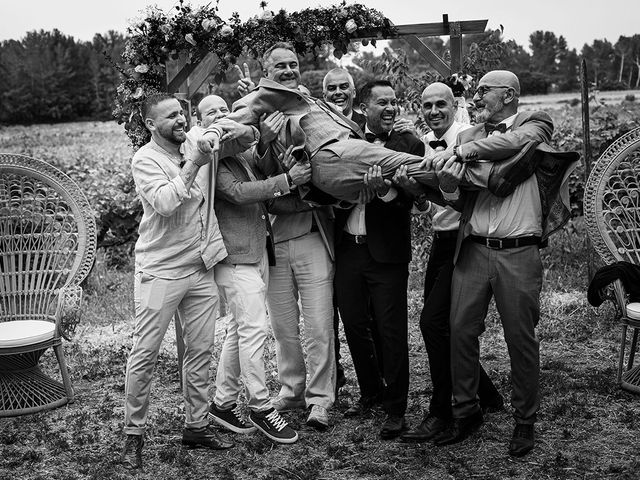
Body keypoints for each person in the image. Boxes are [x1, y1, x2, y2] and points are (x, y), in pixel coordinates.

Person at [431, 70, 578, 457]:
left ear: (509, 95)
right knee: (460, 330)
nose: (477, 96)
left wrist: (463, 156)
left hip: (519, 250)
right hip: (475, 247)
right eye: (477, 91)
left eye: (484, 90)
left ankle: (524, 421)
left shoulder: (535, 126)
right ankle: (466, 412)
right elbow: (463, 201)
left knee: (520, 338)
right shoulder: (467, 134)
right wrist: (448, 185)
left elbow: (514, 142)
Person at [121, 93, 257, 469]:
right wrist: (195, 163)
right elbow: (166, 202)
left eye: (182, 113)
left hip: (200, 267)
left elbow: (244, 137)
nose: (180, 120)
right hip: (160, 271)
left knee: (200, 352)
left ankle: (196, 426)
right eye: (170, 117)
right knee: (145, 353)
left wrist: (222, 129)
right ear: (151, 124)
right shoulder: (145, 160)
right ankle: (134, 434)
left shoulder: (195, 139)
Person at [233, 47, 338, 432]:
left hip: (312, 232)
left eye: (294, 64)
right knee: (282, 326)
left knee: (318, 324)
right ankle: (291, 389)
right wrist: (263, 141)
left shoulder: (315, 109)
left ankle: (321, 399)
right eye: (281, 65)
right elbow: (251, 172)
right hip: (274, 239)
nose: (290, 70)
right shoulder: (254, 112)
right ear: (266, 71)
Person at [197, 95, 310, 444]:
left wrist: (263, 139)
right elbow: (238, 192)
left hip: (257, 250)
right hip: (233, 257)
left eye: (223, 109)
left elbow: (257, 162)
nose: (219, 115)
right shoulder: (208, 157)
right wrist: (288, 180)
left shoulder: (240, 148)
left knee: (238, 329)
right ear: (199, 122)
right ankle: (261, 406)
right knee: (255, 330)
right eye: (210, 112)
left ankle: (222, 402)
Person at [398, 83, 503, 443]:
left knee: (432, 323)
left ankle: (442, 410)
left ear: (454, 105)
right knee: (439, 325)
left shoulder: (469, 140)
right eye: (426, 105)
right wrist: (416, 193)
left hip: (466, 242)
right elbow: (429, 207)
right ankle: (486, 394)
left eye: (440, 104)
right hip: (441, 242)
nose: (433, 111)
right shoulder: (423, 143)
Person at [334, 80, 425, 439]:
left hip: (387, 253)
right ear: (365, 107)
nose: (390, 108)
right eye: (382, 102)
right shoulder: (346, 138)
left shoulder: (410, 145)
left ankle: (396, 409)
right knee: (355, 325)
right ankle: (370, 392)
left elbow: (413, 199)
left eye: (394, 102)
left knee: (391, 331)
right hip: (348, 249)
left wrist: (386, 190)